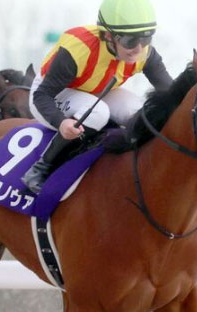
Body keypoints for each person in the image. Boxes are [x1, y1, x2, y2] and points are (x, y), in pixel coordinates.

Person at [22, 0, 173, 194]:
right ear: (108, 36)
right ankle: (41, 168)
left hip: (97, 91)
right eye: (130, 41)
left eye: (145, 38)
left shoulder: (146, 53)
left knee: (139, 112)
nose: (138, 48)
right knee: (98, 113)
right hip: (53, 92)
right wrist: (61, 122)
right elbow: (42, 95)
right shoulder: (79, 49)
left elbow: (171, 93)